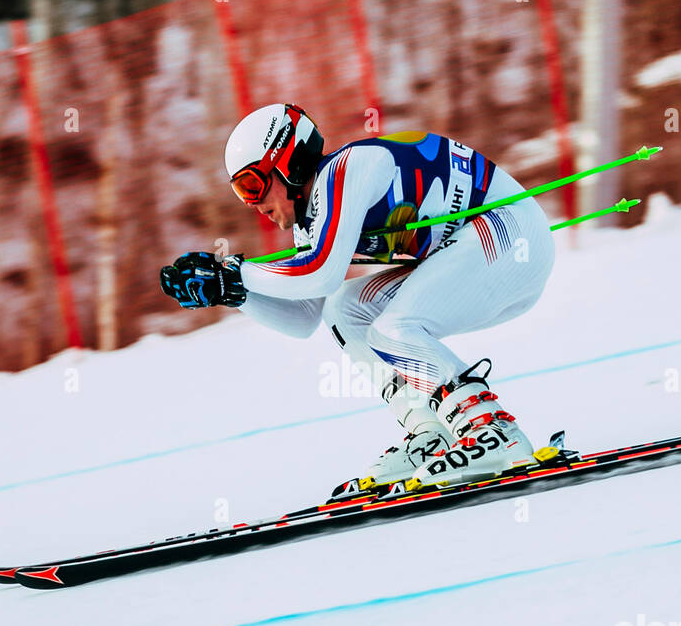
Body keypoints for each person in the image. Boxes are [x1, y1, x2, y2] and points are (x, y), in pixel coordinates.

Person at [160, 103, 555, 493]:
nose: (253, 205)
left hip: (511, 237)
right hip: (474, 253)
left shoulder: (350, 170)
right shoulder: (312, 219)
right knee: (345, 311)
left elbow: (319, 272)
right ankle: (432, 434)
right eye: (241, 193)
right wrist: (231, 292)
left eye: (253, 185)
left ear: (288, 163)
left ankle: (492, 432)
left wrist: (234, 272)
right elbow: (304, 317)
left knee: (393, 329)